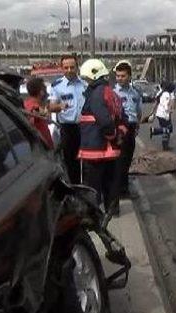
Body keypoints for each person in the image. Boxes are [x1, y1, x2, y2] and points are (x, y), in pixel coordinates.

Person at [78, 59, 127, 216]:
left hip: (95, 147)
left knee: (92, 185)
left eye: (86, 78)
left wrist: (111, 135)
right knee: (110, 181)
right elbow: (122, 118)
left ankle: (92, 214)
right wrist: (117, 135)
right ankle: (112, 210)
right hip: (109, 149)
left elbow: (104, 120)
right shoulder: (110, 92)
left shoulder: (97, 93)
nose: (85, 81)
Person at [48, 54, 87, 184]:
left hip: (86, 128)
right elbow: (51, 106)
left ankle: (89, 187)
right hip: (68, 129)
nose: (69, 70)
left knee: (88, 160)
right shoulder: (57, 86)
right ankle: (76, 188)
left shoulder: (85, 85)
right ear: (62, 68)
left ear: (77, 67)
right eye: (66, 67)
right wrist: (60, 106)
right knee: (71, 162)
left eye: (72, 67)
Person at [113, 60, 142, 198]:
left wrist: (137, 126)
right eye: (118, 76)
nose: (119, 78)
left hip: (131, 128)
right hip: (120, 129)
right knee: (120, 161)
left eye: (123, 76)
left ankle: (124, 188)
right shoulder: (113, 93)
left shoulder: (135, 93)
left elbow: (138, 111)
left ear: (129, 76)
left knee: (128, 159)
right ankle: (121, 191)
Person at [23, 77, 54, 149]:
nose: (46, 92)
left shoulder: (26, 103)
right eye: (45, 88)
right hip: (43, 148)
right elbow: (48, 118)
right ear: (41, 92)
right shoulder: (36, 108)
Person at [149, 81, 175, 151]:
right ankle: (154, 130)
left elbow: (156, 103)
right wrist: (169, 111)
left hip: (160, 114)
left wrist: (152, 112)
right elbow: (167, 105)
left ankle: (165, 145)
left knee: (166, 130)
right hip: (164, 115)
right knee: (168, 129)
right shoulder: (167, 94)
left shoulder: (161, 93)